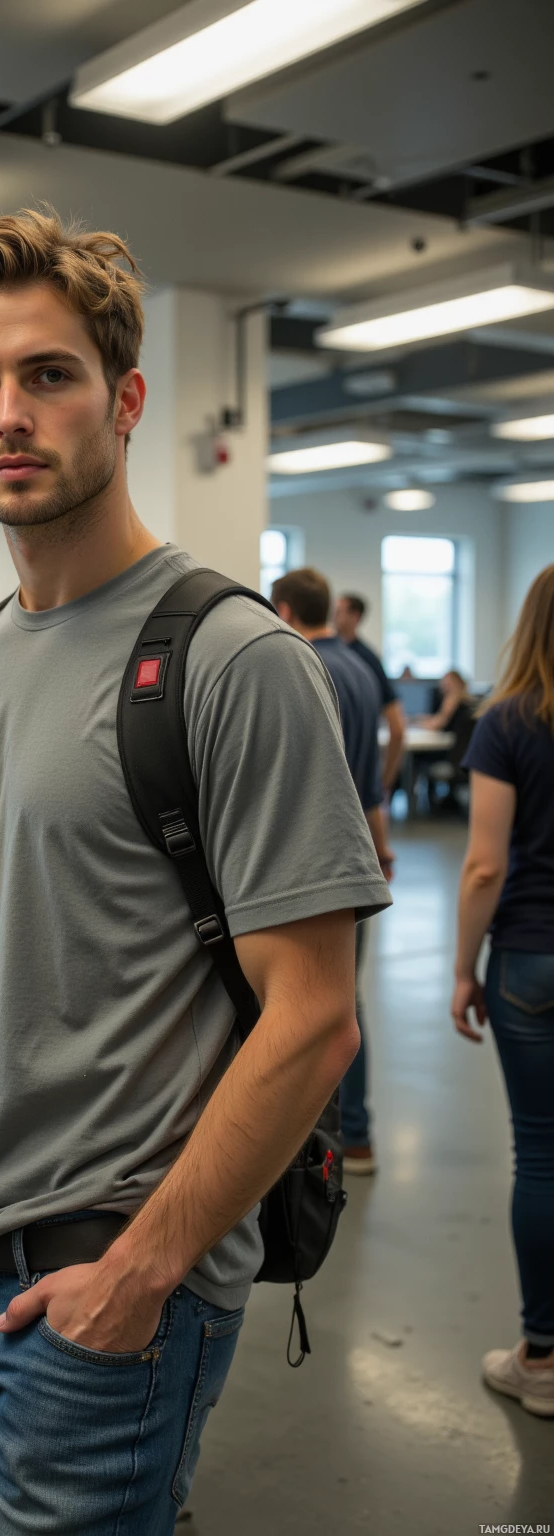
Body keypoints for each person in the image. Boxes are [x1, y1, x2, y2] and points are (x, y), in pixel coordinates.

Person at [0, 208, 391, 1536]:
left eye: (49, 374)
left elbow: (315, 1016)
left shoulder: (234, 660)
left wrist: (146, 1273)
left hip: (98, 1299)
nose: (9, 412)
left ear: (126, 400)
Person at [451, 564, 554, 1418]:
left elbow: (485, 863)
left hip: (532, 960)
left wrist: (460, 967)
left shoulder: (509, 722)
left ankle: (544, 1357)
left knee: (544, 1156)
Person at [274, 568, 395, 1175]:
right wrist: (382, 847)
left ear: (286, 610)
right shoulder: (362, 671)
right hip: (358, 859)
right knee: (344, 1004)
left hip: (303, 868)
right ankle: (360, 1136)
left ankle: (315, 1146)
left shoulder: (294, 666)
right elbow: (369, 782)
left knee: (304, 1008)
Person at [334, 592, 406, 794]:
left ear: (355, 616)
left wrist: (385, 782)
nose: (334, 617)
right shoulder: (329, 651)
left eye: (339, 612)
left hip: (357, 772)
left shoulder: (367, 661)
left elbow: (397, 727)